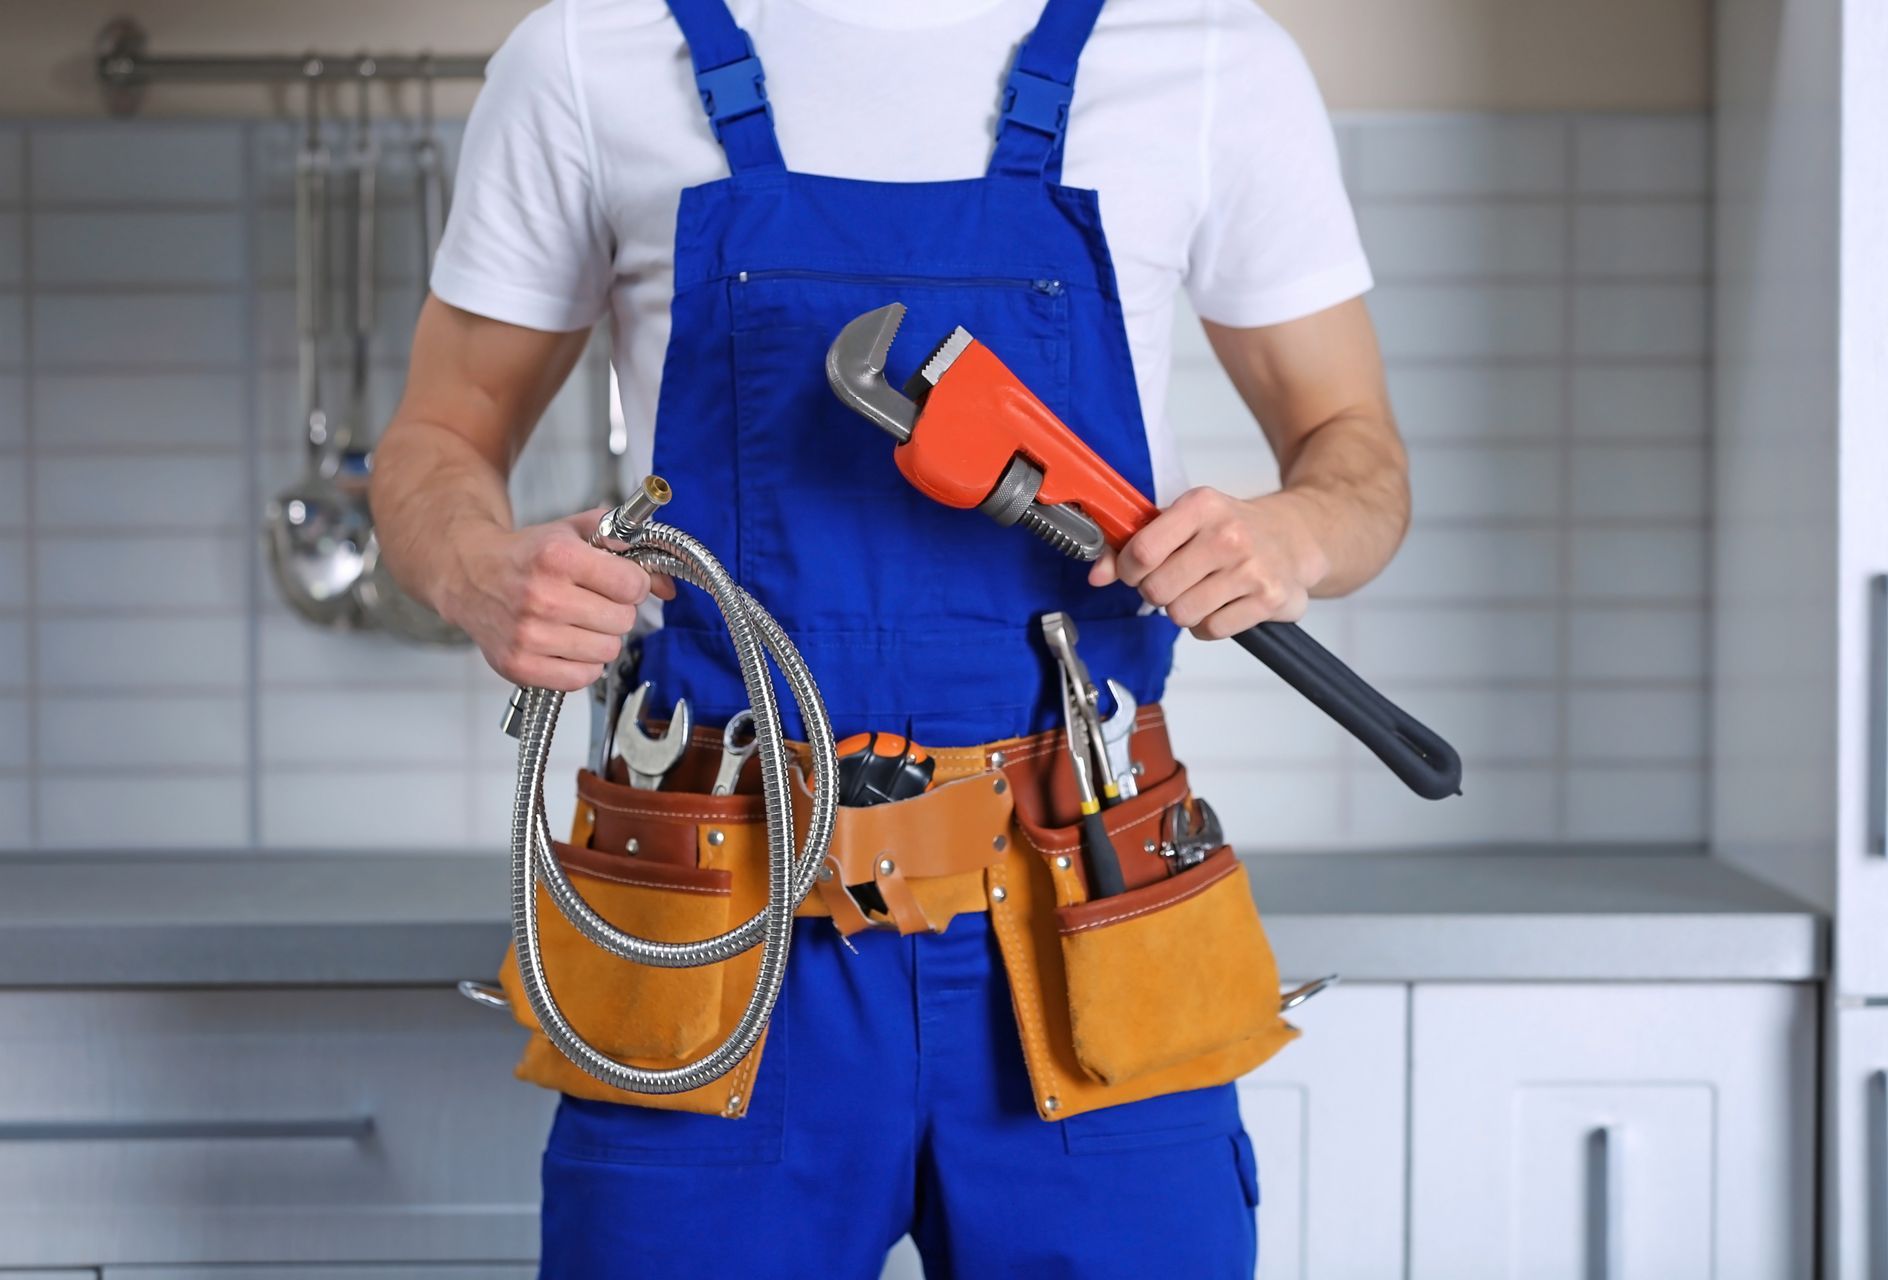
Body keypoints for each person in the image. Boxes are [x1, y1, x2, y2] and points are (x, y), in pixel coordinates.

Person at [370, 0, 1408, 1274]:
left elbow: (1356, 453)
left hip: (1091, 911)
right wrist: (475, 568)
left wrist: (1294, 534)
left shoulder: (1201, 53)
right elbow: (440, 434)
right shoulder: (591, 54)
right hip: (715, 922)